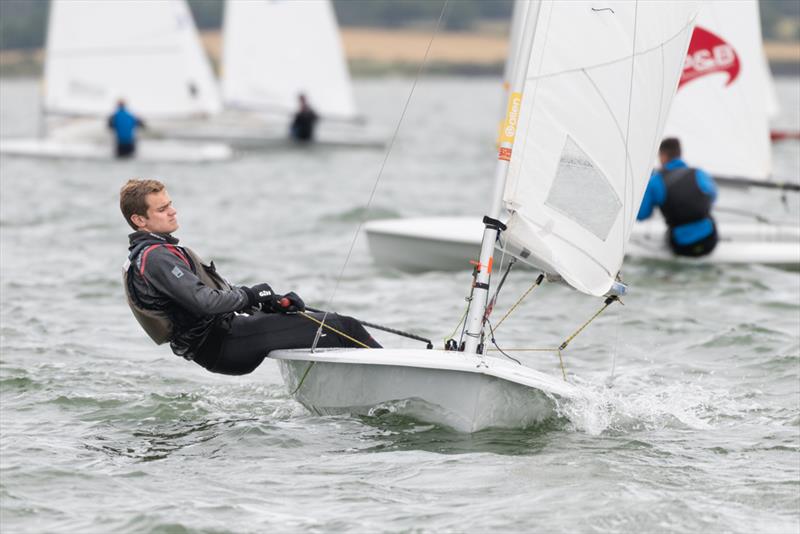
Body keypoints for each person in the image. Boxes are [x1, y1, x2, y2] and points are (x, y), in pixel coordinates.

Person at [120, 179, 380, 376]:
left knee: (317, 322)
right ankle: (396, 377)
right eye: (162, 208)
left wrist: (266, 301)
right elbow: (204, 302)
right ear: (139, 219)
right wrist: (251, 295)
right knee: (345, 327)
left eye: (170, 204)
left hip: (224, 337)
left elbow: (214, 296)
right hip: (223, 344)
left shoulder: (154, 252)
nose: (173, 211)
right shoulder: (156, 257)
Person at [637, 137, 718, 257]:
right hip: (709, 241)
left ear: (663, 156)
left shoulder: (656, 181)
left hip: (682, 246)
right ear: (680, 153)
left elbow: (642, 215)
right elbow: (713, 197)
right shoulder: (698, 173)